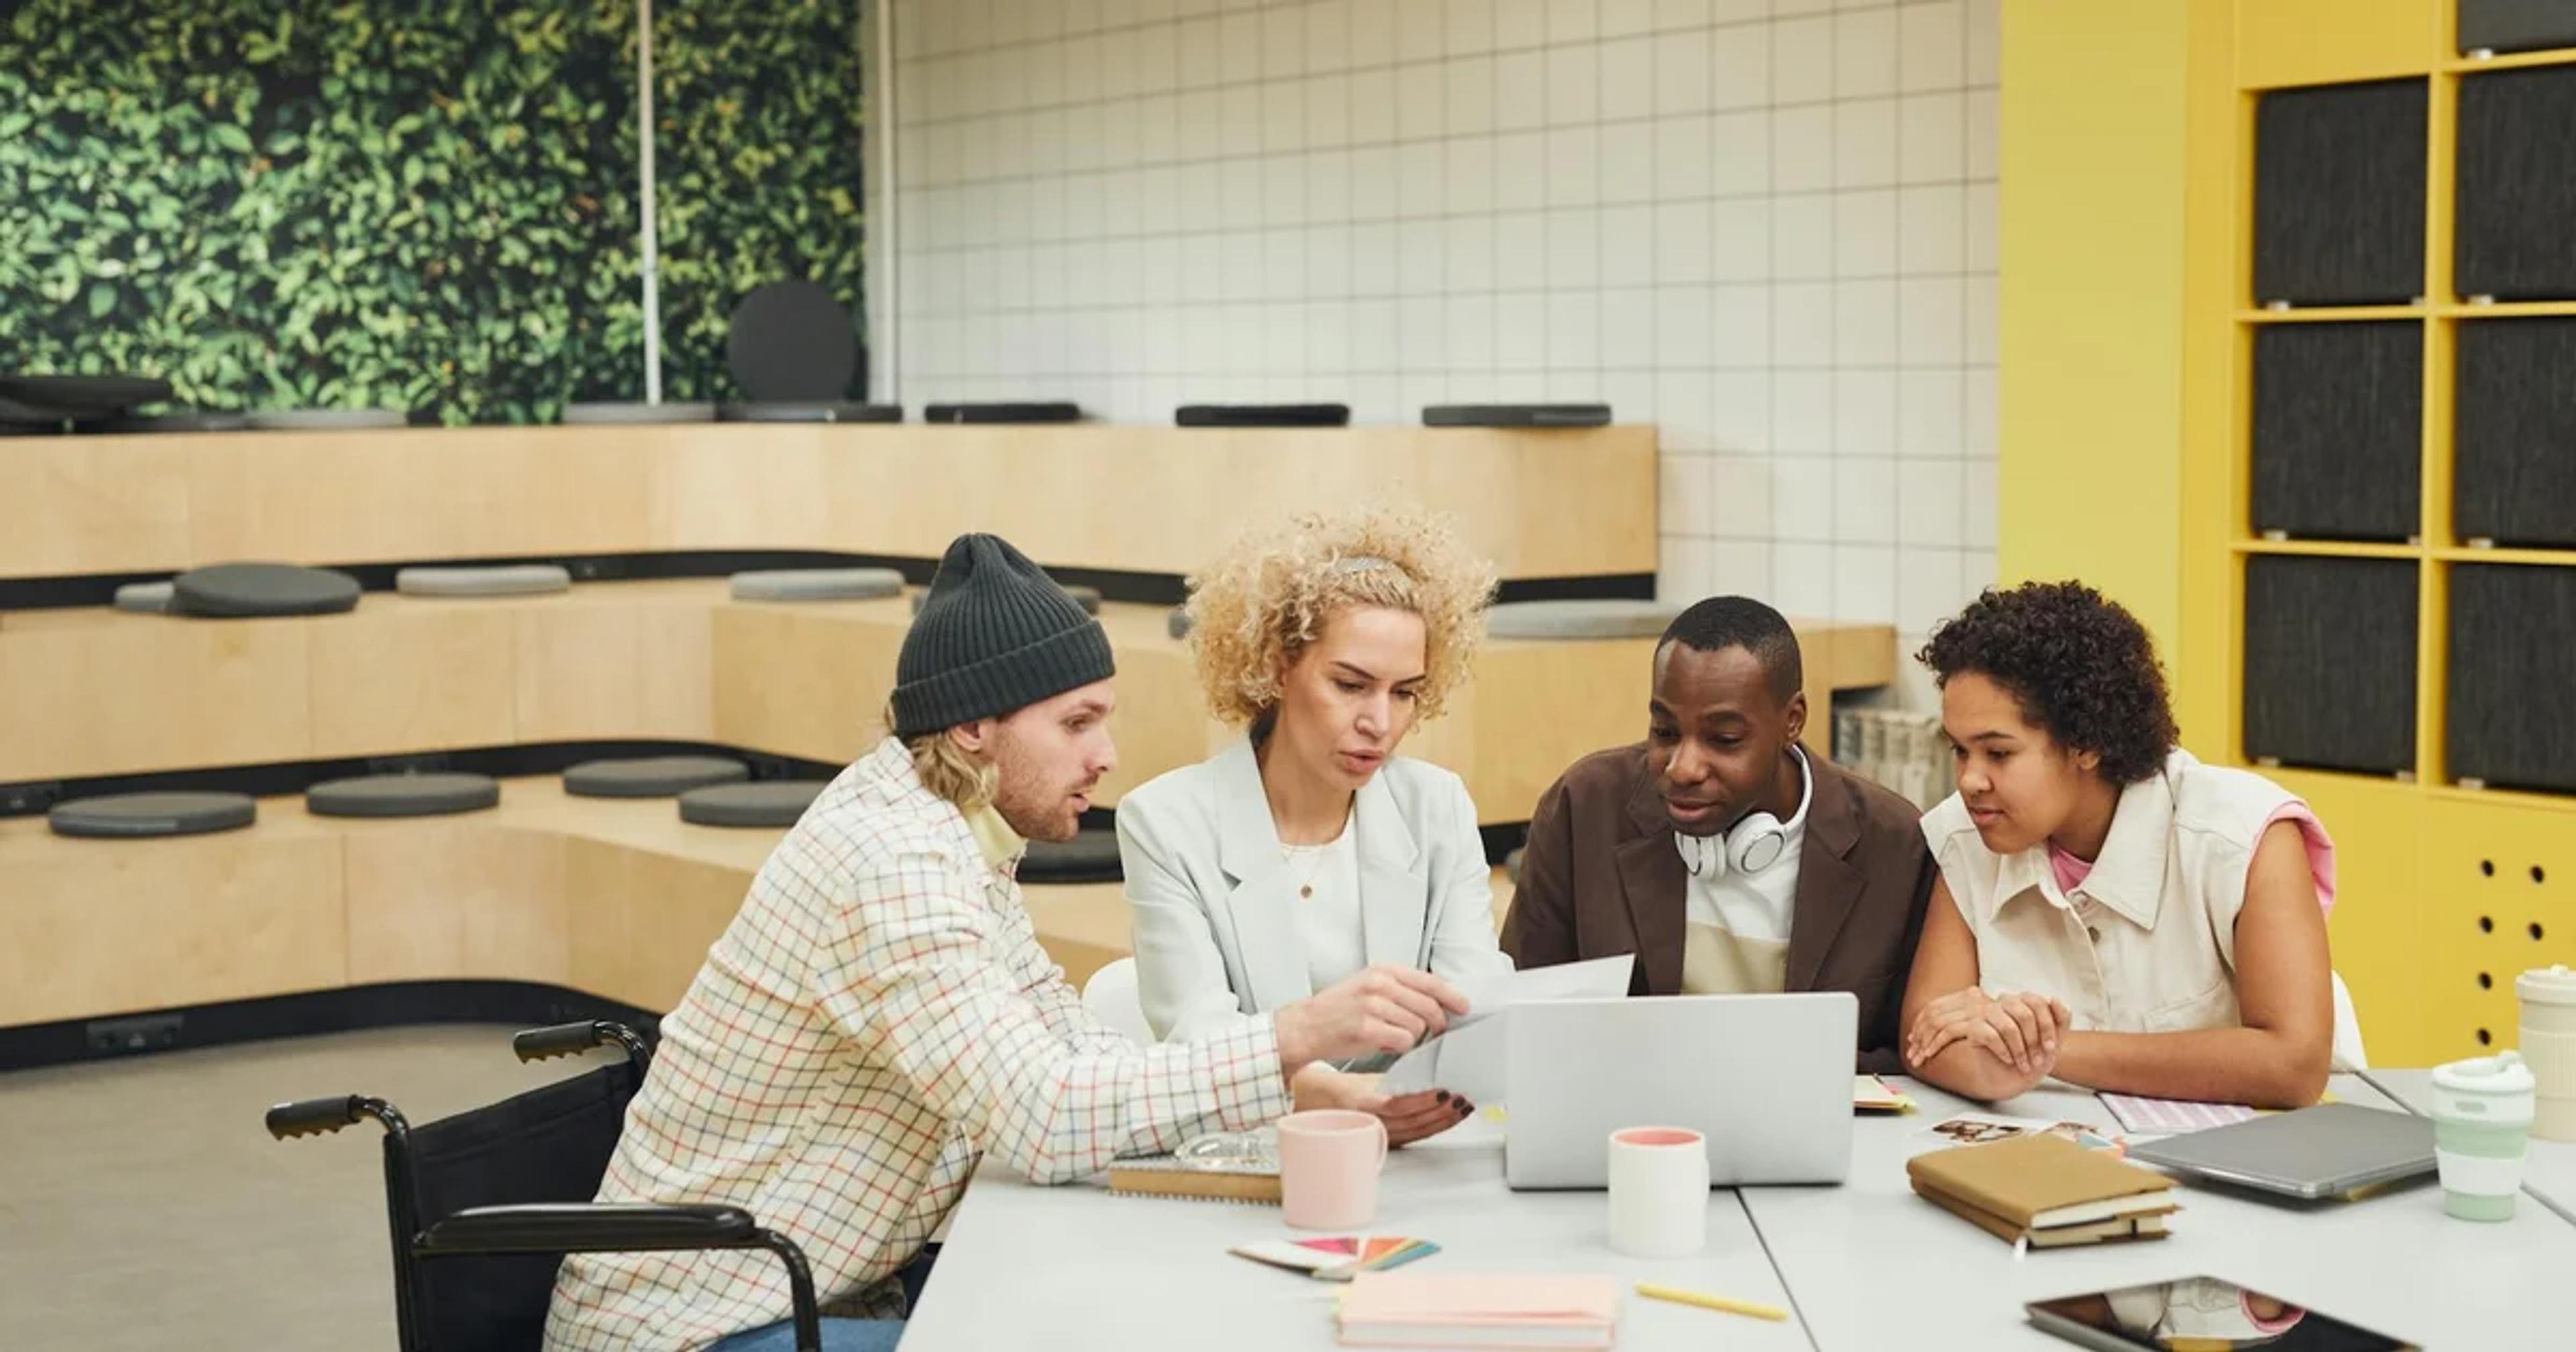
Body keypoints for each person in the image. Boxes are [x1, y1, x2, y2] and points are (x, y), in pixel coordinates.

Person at [545, 534, 1469, 1352]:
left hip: (818, 1295)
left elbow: (1072, 1055)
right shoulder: (892, 863)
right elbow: (1046, 1115)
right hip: (707, 1327)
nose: (1105, 756)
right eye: (1077, 723)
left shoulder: (959, 841)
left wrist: (1304, 1100)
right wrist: (1294, 1036)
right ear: (972, 726)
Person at [1118, 506, 1511, 1146]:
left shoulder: (1437, 807)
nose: (1379, 723)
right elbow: (1197, 1046)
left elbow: (1474, 1005)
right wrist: (1320, 1094)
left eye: (1405, 692)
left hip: (1424, 1156)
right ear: (1277, 665)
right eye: (1351, 685)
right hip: (1259, 1152)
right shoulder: (1166, 823)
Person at [1900, 581, 2337, 1109]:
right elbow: (1924, 1039)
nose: (1970, 780)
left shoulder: (2244, 834)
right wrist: (1987, 1072)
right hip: (2046, 1153)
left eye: (1998, 754)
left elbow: (2292, 1065)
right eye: (1959, 751)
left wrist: (2046, 1051)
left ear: (2087, 742)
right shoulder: (1963, 832)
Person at [1502, 596, 1937, 1073]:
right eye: (1665, 732)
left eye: (1724, 740)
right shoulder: (1585, 807)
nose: (1682, 768)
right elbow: (1523, 1018)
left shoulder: (1895, 844)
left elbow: (1912, 1052)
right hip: (1630, 1125)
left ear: (1792, 721)